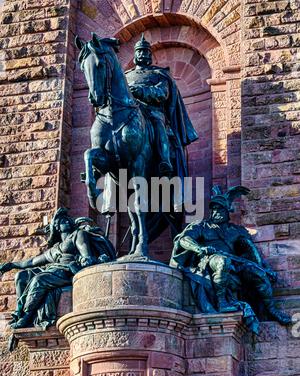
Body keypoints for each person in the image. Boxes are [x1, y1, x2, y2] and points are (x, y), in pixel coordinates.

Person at [170, 186, 291, 332]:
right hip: (209, 260)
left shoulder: (236, 231)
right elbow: (184, 239)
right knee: (222, 261)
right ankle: (222, 302)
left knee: (256, 272)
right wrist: (199, 249)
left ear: (228, 211)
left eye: (220, 209)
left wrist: (264, 268)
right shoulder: (201, 226)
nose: (216, 212)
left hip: (235, 263)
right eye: (213, 209)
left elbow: (252, 252)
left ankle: (271, 309)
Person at [0, 208, 116, 329]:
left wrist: (83, 261)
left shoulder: (77, 235)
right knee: (21, 276)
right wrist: (12, 265)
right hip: (53, 270)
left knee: (39, 280)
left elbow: (87, 256)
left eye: (67, 219)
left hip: (67, 270)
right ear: (56, 227)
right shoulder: (55, 249)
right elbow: (32, 261)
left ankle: (27, 316)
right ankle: (19, 312)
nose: (67, 221)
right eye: (62, 221)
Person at [126, 33, 198, 177]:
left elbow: (162, 93)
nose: (142, 54)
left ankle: (164, 161)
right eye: (139, 51)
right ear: (134, 55)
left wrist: (140, 90)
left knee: (158, 125)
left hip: (153, 111)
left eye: (145, 51)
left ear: (150, 55)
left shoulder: (159, 74)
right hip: (129, 113)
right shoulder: (125, 76)